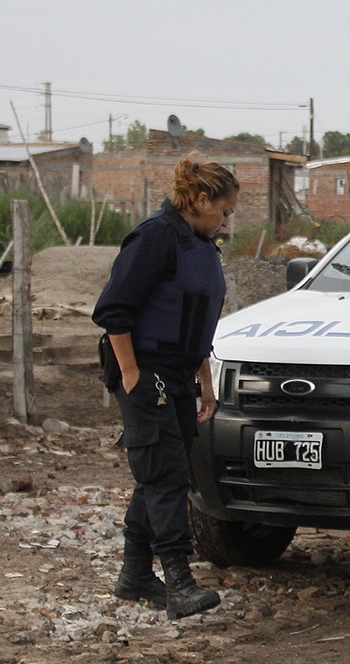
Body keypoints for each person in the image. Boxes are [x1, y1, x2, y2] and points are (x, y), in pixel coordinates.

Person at [93, 155, 239, 619]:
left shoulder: (198, 245)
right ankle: (179, 580)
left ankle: (135, 576)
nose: (226, 221)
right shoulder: (155, 237)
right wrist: (132, 376)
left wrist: (205, 383)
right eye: (224, 211)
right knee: (166, 474)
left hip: (179, 375)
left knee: (158, 472)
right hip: (146, 372)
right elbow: (114, 310)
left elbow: (193, 322)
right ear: (199, 200)